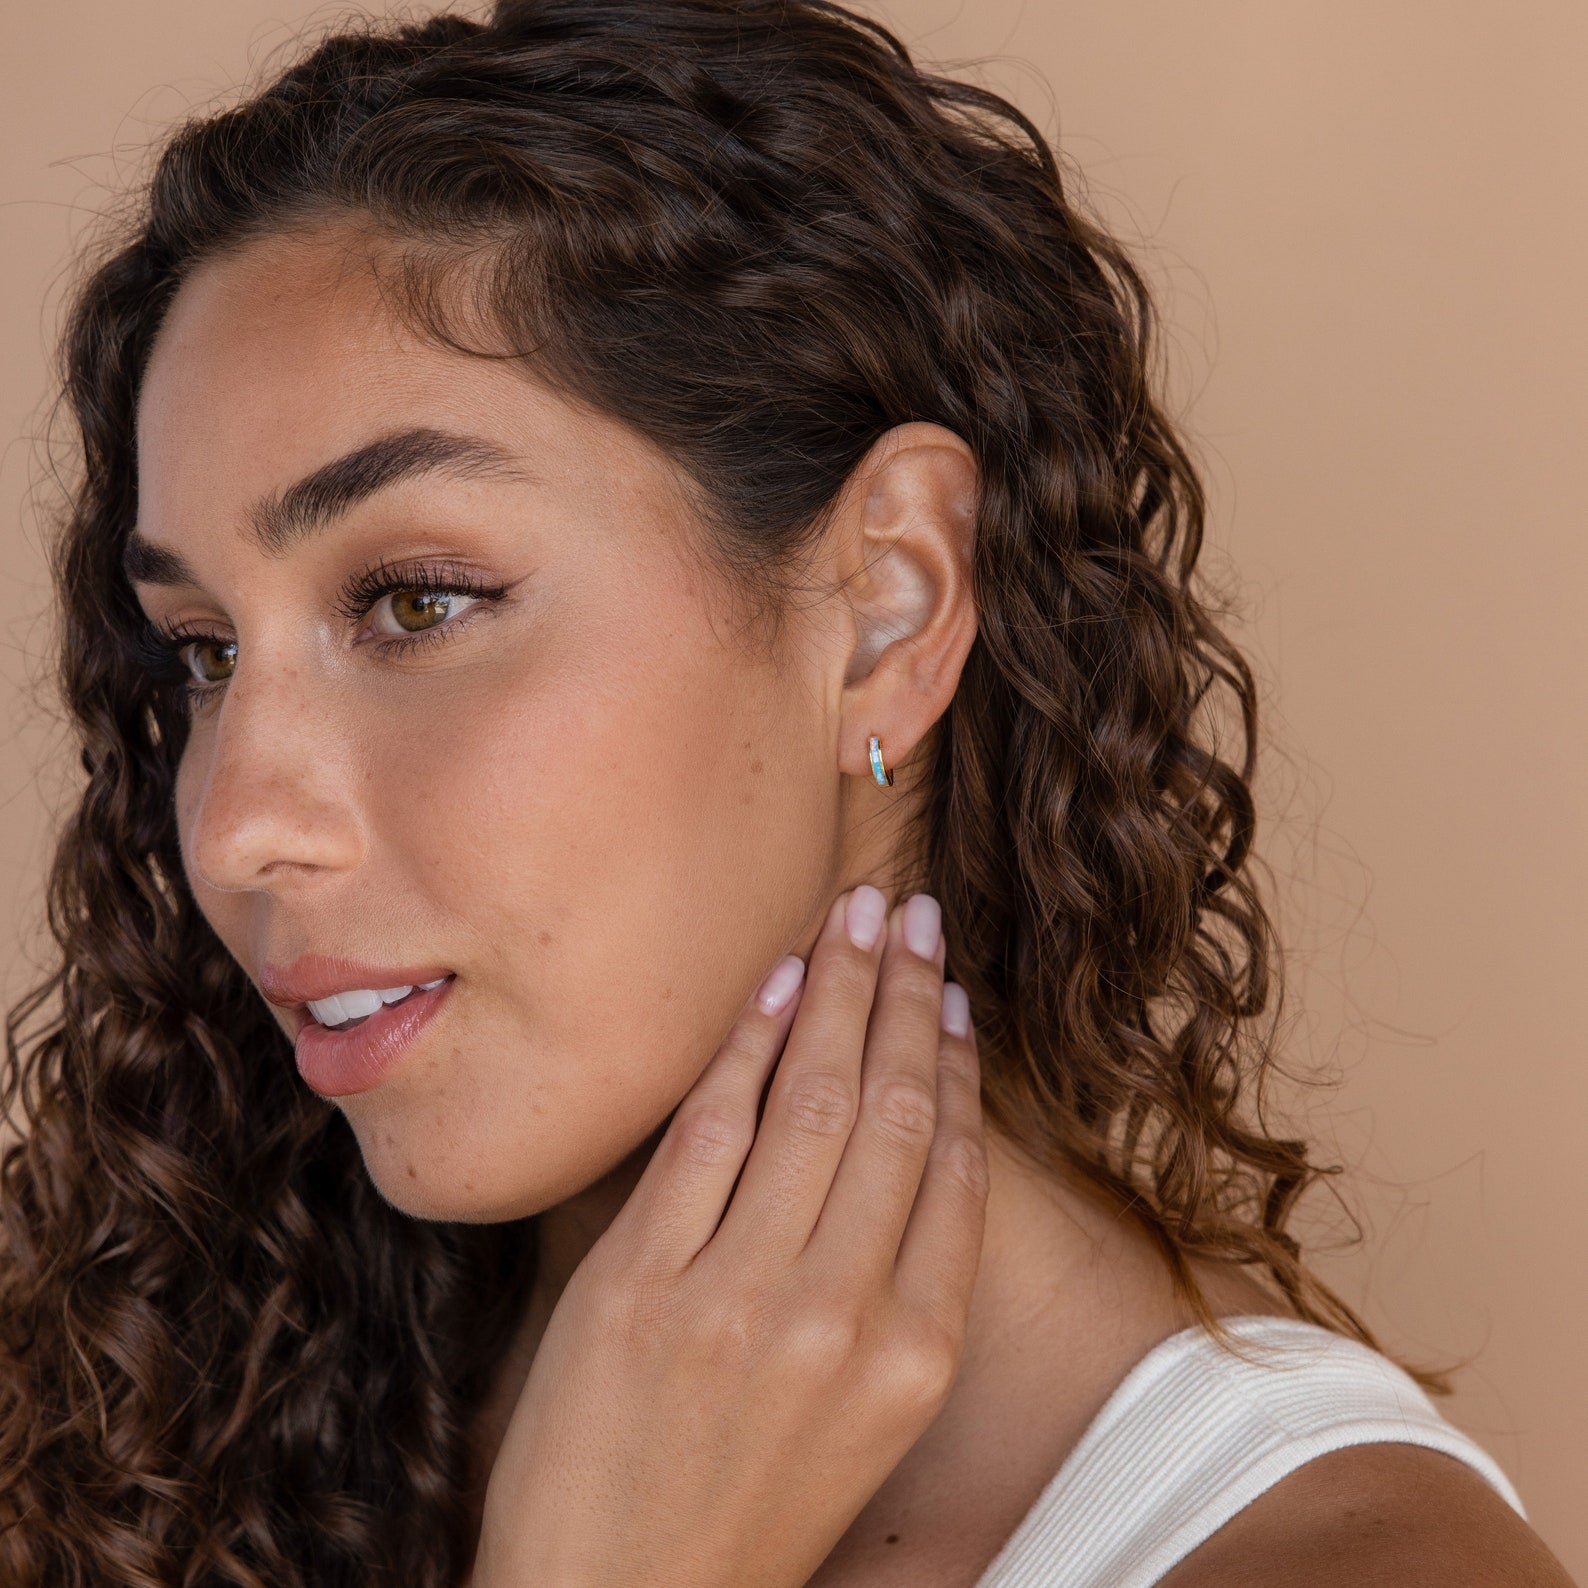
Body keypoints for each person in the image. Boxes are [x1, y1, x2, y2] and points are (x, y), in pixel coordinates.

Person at [0, 1, 1574, 1583]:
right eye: (201, 650)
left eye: (417, 601)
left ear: (885, 606)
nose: (237, 826)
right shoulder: (150, 1390)